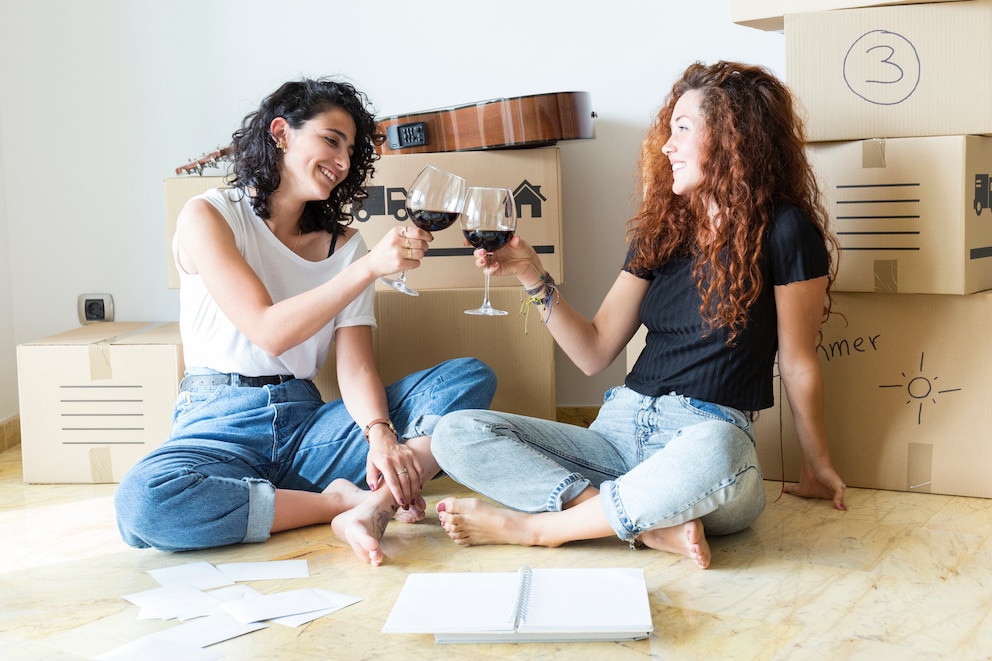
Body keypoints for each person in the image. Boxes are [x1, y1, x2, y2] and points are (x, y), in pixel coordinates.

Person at [431, 61, 847, 570]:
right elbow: (594, 350)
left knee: (724, 451)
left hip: (700, 442)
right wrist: (528, 273)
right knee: (455, 432)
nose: (667, 145)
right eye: (668, 130)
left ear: (736, 138)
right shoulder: (663, 230)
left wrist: (816, 463)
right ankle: (642, 526)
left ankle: (542, 529)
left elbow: (799, 361)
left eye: (683, 129)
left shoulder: (786, 230)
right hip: (616, 435)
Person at [115, 78, 496, 566]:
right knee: (144, 502)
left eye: (350, 151)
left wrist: (380, 435)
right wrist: (370, 269)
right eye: (330, 140)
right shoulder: (208, 216)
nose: (341, 161)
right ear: (281, 133)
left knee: (468, 378)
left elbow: (355, 369)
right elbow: (269, 329)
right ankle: (338, 504)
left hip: (307, 428)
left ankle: (373, 506)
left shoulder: (344, 246)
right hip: (218, 423)